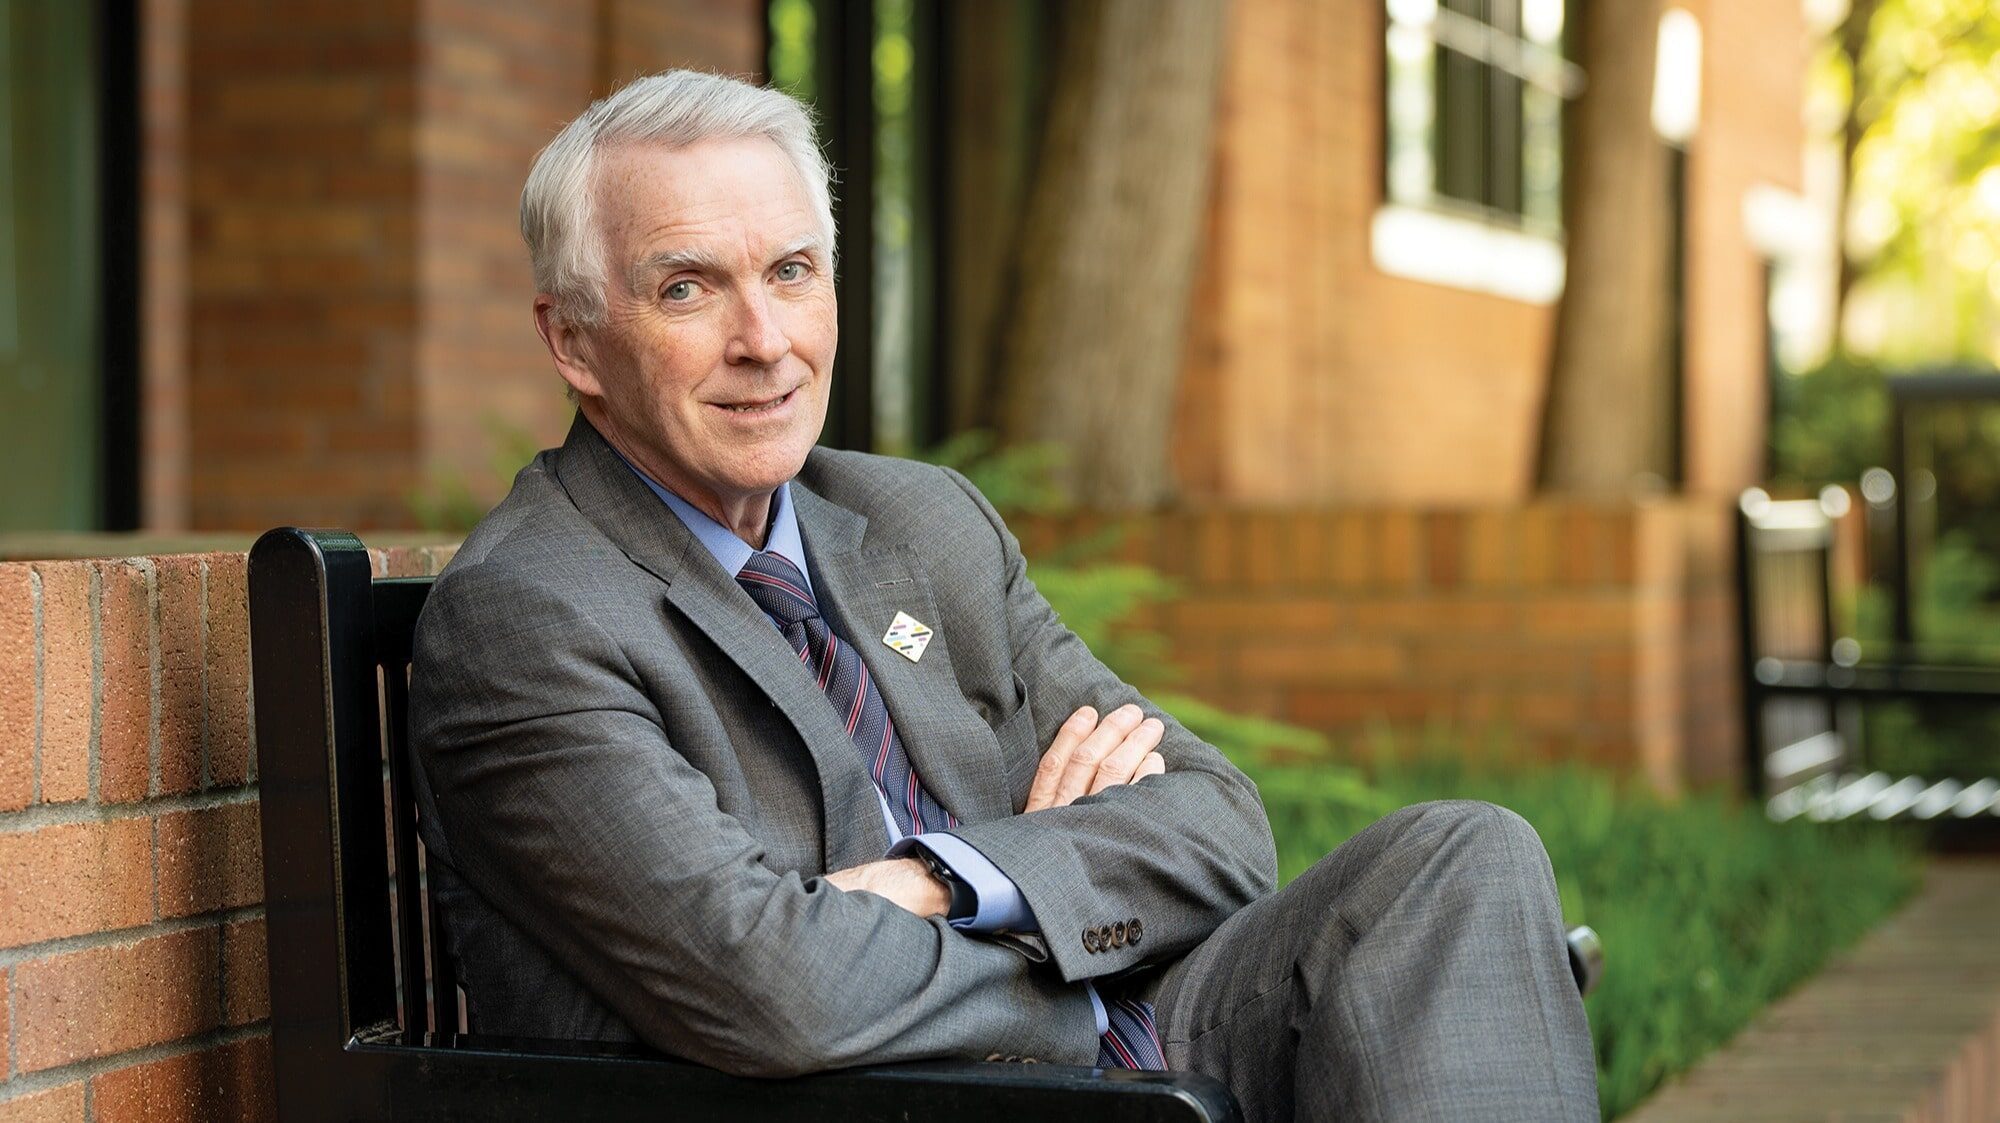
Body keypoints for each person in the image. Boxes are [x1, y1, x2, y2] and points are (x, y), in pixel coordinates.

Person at [409, 70, 1598, 1122]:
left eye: (789, 271)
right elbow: (779, 989)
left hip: (1140, 1049)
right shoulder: (530, 616)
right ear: (572, 341)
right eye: (686, 290)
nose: (763, 339)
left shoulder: (919, 524)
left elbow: (1218, 826)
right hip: (877, 1106)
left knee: (1460, 860)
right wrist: (1067, 897)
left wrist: (949, 878)